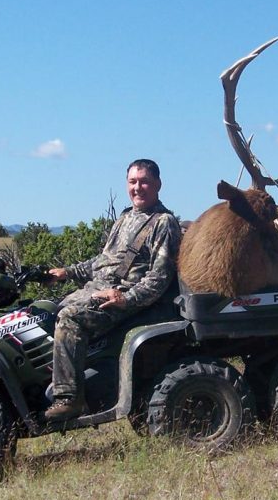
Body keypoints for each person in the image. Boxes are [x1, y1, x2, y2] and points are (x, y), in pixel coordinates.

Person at [44, 159, 181, 420]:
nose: (137, 187)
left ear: (158, 185)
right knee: (45, 310)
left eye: (144, 182)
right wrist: (67, 272)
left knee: (70, 318)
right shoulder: (125, 218)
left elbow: (159, 278)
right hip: (97, 289)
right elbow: (103, 262)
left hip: (124, 299)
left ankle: (70, 398)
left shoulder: (163, 222)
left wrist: (125, 299)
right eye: (132, 182)